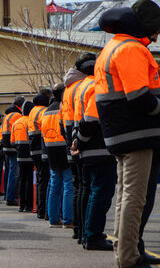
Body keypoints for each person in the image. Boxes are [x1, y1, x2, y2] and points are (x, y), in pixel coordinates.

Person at [95, 0, 160, 268]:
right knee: (135, 198)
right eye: (156, 28)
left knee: (125, 196)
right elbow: (138, 96)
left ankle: (126, 252)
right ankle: (129, 260)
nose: (157, 35)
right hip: (136, 133)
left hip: (121, 134)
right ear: (146, 25)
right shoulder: (131, 49)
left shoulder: (113, 47)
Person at [72, 57, 116, 250]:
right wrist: (81, 141)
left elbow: (79, 119)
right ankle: (93, 235)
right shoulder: (96, 86)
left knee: (92, 192)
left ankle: (88, 234)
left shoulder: (82, 86)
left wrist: (77, 142)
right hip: (98, 148)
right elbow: (91, 120)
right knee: (100, 193)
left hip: (89, 149)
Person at [61, 53, 92, 243]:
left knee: (77, 186)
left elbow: (64, 120)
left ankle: (78, 229)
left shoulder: (68, 89)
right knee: (84, 187)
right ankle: (83, 231)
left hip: (71, 140)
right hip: (79, 141)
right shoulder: (82, 87)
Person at [41, 83, 73, 228]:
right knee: (68, 185)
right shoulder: (63, 107)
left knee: (54, 185)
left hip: (51, 150)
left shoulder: (46, 111)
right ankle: (68, 220)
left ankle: (53, 219)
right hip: (63, 148)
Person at [28, 92, 51, 219]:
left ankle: (39, 208)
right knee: (45, 181)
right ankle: (43, 210)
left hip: (33, 149)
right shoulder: (43, 111)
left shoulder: (32, 112)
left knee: (40, 180)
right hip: (41, 149)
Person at [11, 101, 35, 212]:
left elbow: (12, 141)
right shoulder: (30, 122)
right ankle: (29, 205)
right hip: (30, 155)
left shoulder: (16, 123)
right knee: (29, 180)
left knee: (22, 179)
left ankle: (21, 205)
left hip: (19, 154)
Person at [2, 96, 25, 206]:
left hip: (7, 147)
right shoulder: (17, 115)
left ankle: (8, 195)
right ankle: (11, 197)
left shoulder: (8, 115)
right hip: (13, 147)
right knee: (14, 173)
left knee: (9, 172)